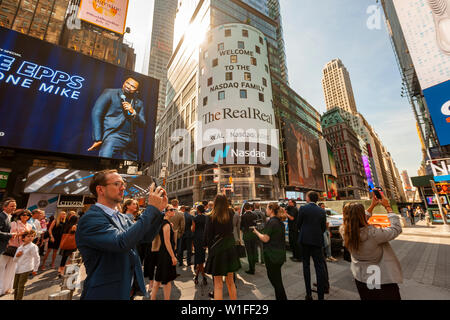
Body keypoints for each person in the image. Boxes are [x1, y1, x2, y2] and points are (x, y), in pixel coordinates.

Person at [75, 169, 166, 300]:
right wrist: (151, 209)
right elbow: (121, 242)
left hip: (126, 291)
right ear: (100, 190)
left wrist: (158, 211)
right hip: (105, 293)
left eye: (123, 184)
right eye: (117, 184)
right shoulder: (91, 219)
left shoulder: (122, 218)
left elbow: (146, 237)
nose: (123, 188)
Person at [340, 190, 403, 300]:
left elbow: (357, 220)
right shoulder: (373, 234)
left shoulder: (344, 231)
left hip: (361, 277)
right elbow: (396, 229)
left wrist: (372, 205)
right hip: (380, 279)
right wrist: (388, 207)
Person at [87, 77, 146, 160]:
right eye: (127, 83)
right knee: (104, 161)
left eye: (133, 86)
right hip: (113, 134)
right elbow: (97, 113)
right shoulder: (110, 93)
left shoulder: (139, 103)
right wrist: (98, 138)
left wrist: (133, 112)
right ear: (124, 82)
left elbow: (143, 123)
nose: (128, 86)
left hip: (132, 140)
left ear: (137, 91)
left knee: (131, 168)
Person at [204, 195, 240, 300]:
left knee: (218, 284)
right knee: (230, 282)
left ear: (215, 202)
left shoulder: (210, 216)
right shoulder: (231, 213)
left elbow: (208, 236)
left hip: (217, 250)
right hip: (230, 249)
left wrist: (210, 251)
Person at [252, 203, 288, 300]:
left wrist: (256, 232)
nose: (266, 210)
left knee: (276, 281)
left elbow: (265, 239)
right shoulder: (279, 222)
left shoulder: (271, 222)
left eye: (267, 208)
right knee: (277, 280)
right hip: (279, 254)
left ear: (271, 209)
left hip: (272, 255)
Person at [297, 191, 327, 300]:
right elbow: (323, 228)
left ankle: (308, 294)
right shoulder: (321, 211)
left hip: (304, 240)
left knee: (306, 266)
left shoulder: (303, 209)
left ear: (308, 198)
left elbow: (298, 224)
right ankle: (321, 296)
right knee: (319, 267)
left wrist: (305, 231)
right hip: (317, 241)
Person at [0, 209, 32, 296]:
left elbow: (29, 238)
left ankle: (7, 288)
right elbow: (9, 235)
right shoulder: (14, 223)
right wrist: (20, 234)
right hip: (9, 247)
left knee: (12, 269)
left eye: (27, 215)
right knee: (2, 267)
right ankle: (0, 288)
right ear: (19, 215)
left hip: (20, 249)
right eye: (23, 215)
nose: (25, 216)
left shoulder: (29, 226)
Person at [151, 205, 177, 300]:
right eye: (171, 210)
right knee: (167, 279)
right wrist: (173, 256)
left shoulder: (166, 223)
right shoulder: (166, 224)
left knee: (158, 278)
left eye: (173, 209)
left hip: (163, 253)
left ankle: (152, 298)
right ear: (166, 212)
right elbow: (167, 242)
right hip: (166, 253)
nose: (173, 211)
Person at [12, 230, 40, 300]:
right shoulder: (20, 247)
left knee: (21, 286)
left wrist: (35, 269)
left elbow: (37, 258)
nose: (30, 238)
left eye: (32, 236)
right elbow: (14, 260)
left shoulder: (33, 247)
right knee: (15, 286)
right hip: (18, 269)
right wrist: (17, 255)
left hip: (26, 268)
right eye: (28, 236)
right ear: (23, 238)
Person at [240, 202, 258, 275]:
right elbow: (257, 224)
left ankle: (251, 268)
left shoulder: (243, 216)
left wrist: (244, 230)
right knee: (254, 251)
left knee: (249, 252)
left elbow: (241, 227)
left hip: (247, 236)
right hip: (254, 234)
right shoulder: (255, 215)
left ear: (244, 208)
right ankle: (253, 266)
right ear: (250, 208)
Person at [192, 205, 207, 285]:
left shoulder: (195, 218)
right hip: (204, 238)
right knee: (202, 257)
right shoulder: (206, 217)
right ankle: (202, 276)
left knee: (199, 257)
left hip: (197, 238)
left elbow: (193, 229)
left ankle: (198, 276)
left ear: (198, 210)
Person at [169, 200, 185, 265]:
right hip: (178, 233)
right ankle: (180, 262)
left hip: (169, 233)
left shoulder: (168, 213)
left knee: (170, 248)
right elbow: (183, 226)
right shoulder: (180, 213)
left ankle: (171, 261)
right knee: (179, 249)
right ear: (177, 204)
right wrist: (181, 233)